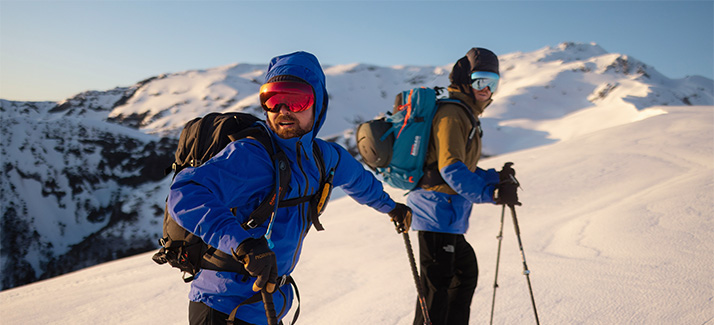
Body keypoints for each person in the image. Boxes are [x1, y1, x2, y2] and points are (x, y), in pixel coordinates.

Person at [167, 51, 412, 325]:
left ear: (317, 104)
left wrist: (392, 208)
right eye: (273, 99)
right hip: (223, 306)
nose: (283, 110)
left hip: (269, 302)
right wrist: (243, 243)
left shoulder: (324, 157)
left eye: (297, 100)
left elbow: (361, 183)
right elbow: (184, 193)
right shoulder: (252, 156)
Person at [407, 47, 520, 325]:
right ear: (466, 81)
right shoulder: (452, 114)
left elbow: (462, 167)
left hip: (448, 217)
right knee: (435, 294)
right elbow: (451, 169)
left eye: (492, 84)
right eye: (481, 81)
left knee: (463, 277)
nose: (486, 90)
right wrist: (490, 193)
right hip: (435, 215)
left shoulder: (466, 114)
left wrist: (496, 178)